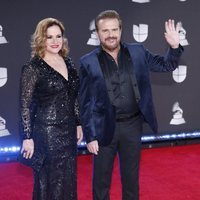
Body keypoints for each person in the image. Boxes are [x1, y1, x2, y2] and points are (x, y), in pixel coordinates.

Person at [79, 10, 183, 200]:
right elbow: (84, 103)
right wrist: (90, 135)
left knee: (131, 180)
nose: (110, 35)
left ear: (120, 30)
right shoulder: (88, 62)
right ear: (97, 33)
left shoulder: (138, 51)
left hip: (132, 127)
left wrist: (175, 47)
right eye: (105, 31)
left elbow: (166, 65)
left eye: (114, 29)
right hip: (103, 129)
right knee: (101, 183)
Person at [19, 18, 83, 200]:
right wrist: (27, 137)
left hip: (68, 131)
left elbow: (74, 96)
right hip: (47, 133)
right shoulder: (33, 68)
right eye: (49, 37)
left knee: (68, 178)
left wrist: (78, 123)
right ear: (41, 39)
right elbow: (25, 105)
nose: (55, 41)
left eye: (59, 36)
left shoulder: (68, 62)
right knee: (50, 180)